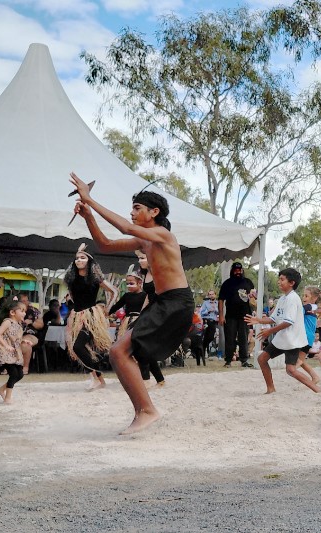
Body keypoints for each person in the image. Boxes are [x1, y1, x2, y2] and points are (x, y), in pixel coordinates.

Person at [71, 172, 194, 435]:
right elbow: (104, 245)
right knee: (120, 353)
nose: (132, 213)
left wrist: (90, 200)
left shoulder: (162, 234)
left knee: (118, 352)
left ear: (154, 212)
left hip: (176, 302)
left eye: (137, 208)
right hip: (163, 302)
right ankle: (144, 411)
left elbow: (125, 228)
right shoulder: (145, 240)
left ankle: (147, 410)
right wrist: (89, 217)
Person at [248, 268, 320, 394]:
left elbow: (288, 322)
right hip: (283, 338)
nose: (279, 282)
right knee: (262, 359)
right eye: (279, 279)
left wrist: (269, 332)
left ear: (291, 283)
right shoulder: (282, 299)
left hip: (292, 340)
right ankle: (271, 389)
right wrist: (259, 320)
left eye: (282, 279)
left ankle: (317, 390)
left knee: (291, 370)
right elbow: (273, 318)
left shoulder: (293, 298)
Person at [62, 243, 117, 390]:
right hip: (77, 316)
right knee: (82, 349)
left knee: (78, 347)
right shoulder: (71, 279)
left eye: (82, 258)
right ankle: (100, 379)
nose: (78, 260)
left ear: (90, 261)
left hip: (91, 317)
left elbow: (114, 291)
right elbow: (72, 297)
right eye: (77, 258)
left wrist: (107, 309)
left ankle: (94, 378)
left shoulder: (95, 278)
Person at [219, 262, 255, 368]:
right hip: (230, 315)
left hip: (245, 315)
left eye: (240, 270)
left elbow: (254, 297)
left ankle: (244, 360)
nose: (238, 272)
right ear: (232, 271)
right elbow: (221, 300)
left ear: (242, 271)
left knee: (243, 338)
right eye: (236, 270)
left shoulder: (248, 282)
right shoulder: (227, 283)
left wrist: (254, 297)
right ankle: (228, 360)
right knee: (230, 338)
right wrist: (221, 315)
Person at [0, 301, 27, 404]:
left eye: (25, 311)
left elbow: (16, 339)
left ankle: (1, 389)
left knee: (20, 374)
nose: (24, 313)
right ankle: (8, 398)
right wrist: (6, 345)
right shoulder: (8, 322)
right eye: (22, 311)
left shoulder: (19, 325)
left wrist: (24, 341)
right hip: (6, 353)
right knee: (14, 374)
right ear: (12, 312)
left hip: (15, 353)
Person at [198, 290, 219, 359]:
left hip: (214, 322)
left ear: (215, 295)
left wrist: (215, 309)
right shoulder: (205, 303)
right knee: (206, 335)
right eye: (210, 294)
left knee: (211, 337)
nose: (211, 295)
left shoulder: (218, 303)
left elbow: (220, 312)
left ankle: (203, 347)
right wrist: (208, 311)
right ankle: (202, 352)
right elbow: (201, 313)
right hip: (206, 321)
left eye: (212, 294)